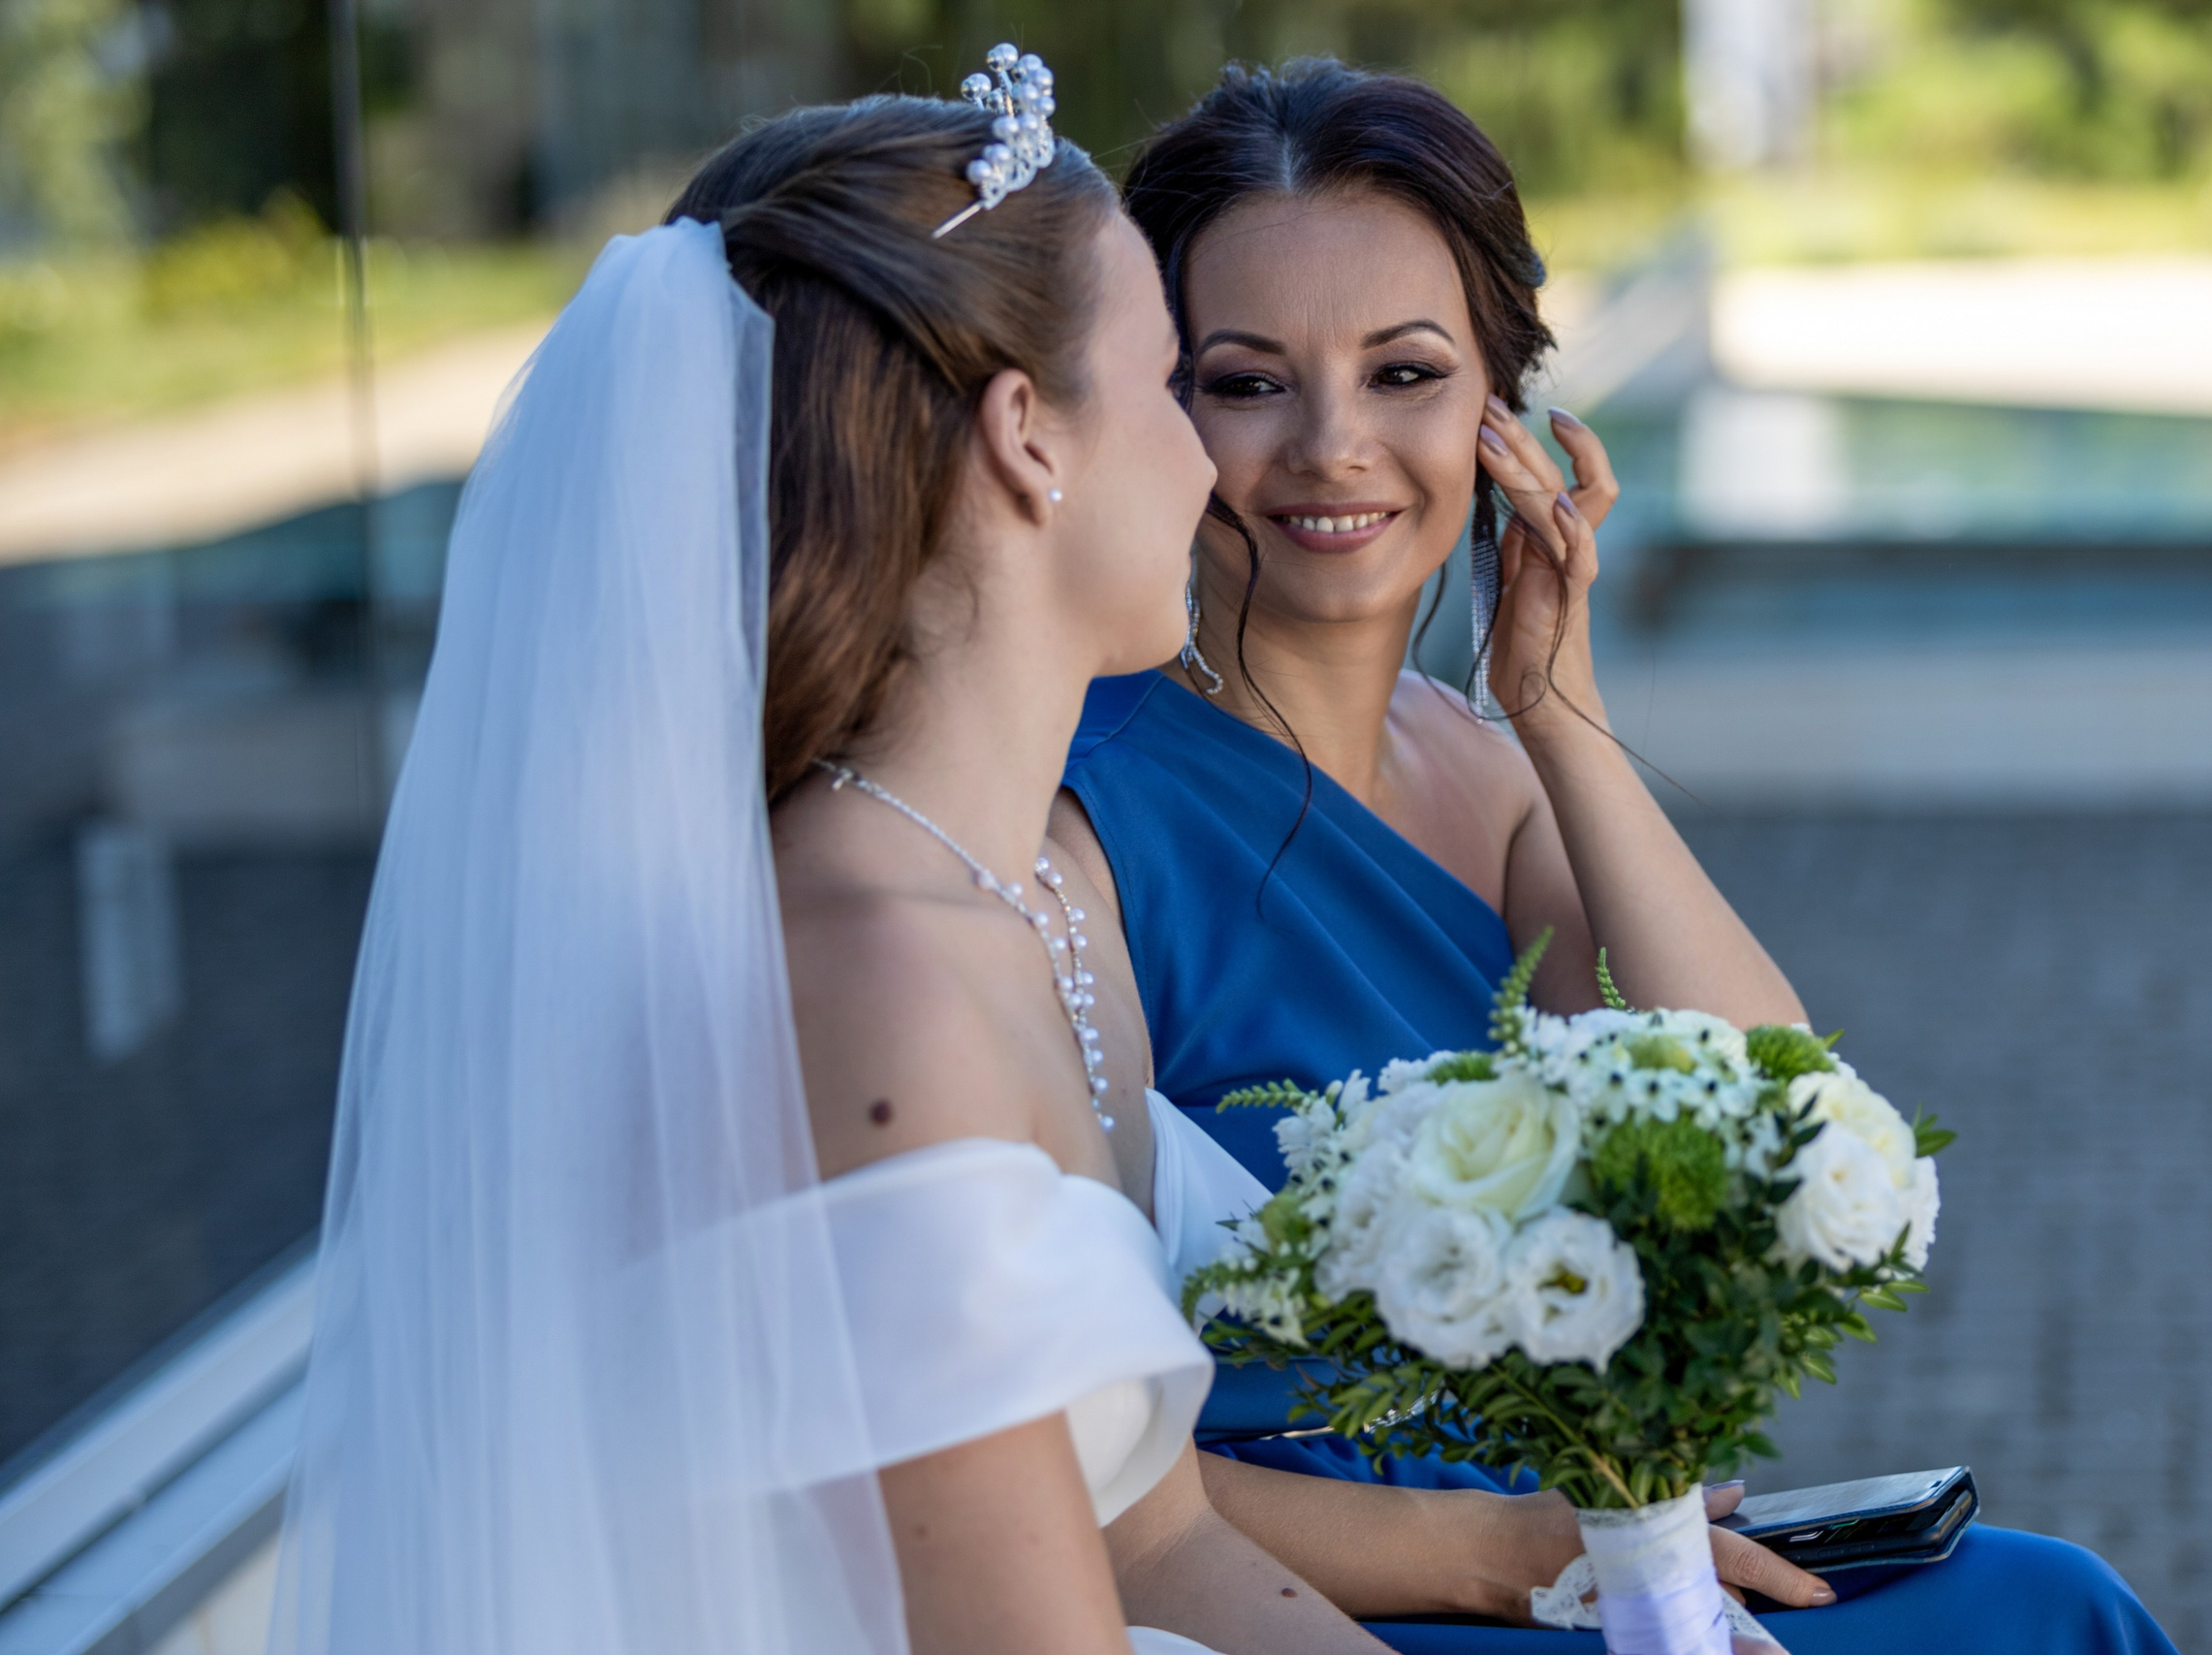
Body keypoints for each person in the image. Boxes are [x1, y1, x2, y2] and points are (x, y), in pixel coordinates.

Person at [1046, 58, 2181, 1655]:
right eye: (1247, 382)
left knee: (2054, 1605)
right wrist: (1500, 1554)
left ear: (1507, 411)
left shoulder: (1493, 771)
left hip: (1578, 1535)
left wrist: (1562, 716)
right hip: (1319, 1590)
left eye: (1406, 374)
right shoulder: (1081, 817)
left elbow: (1777, 1132)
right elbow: (1049, 1467)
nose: (1330, 445)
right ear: (1156, 413)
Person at [268, 77, 1407, 1655]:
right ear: (1028, 439)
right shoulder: (870, 976)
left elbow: (1161, 1549)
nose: (1215, 467)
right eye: (1167, 381)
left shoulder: (1012, 903)